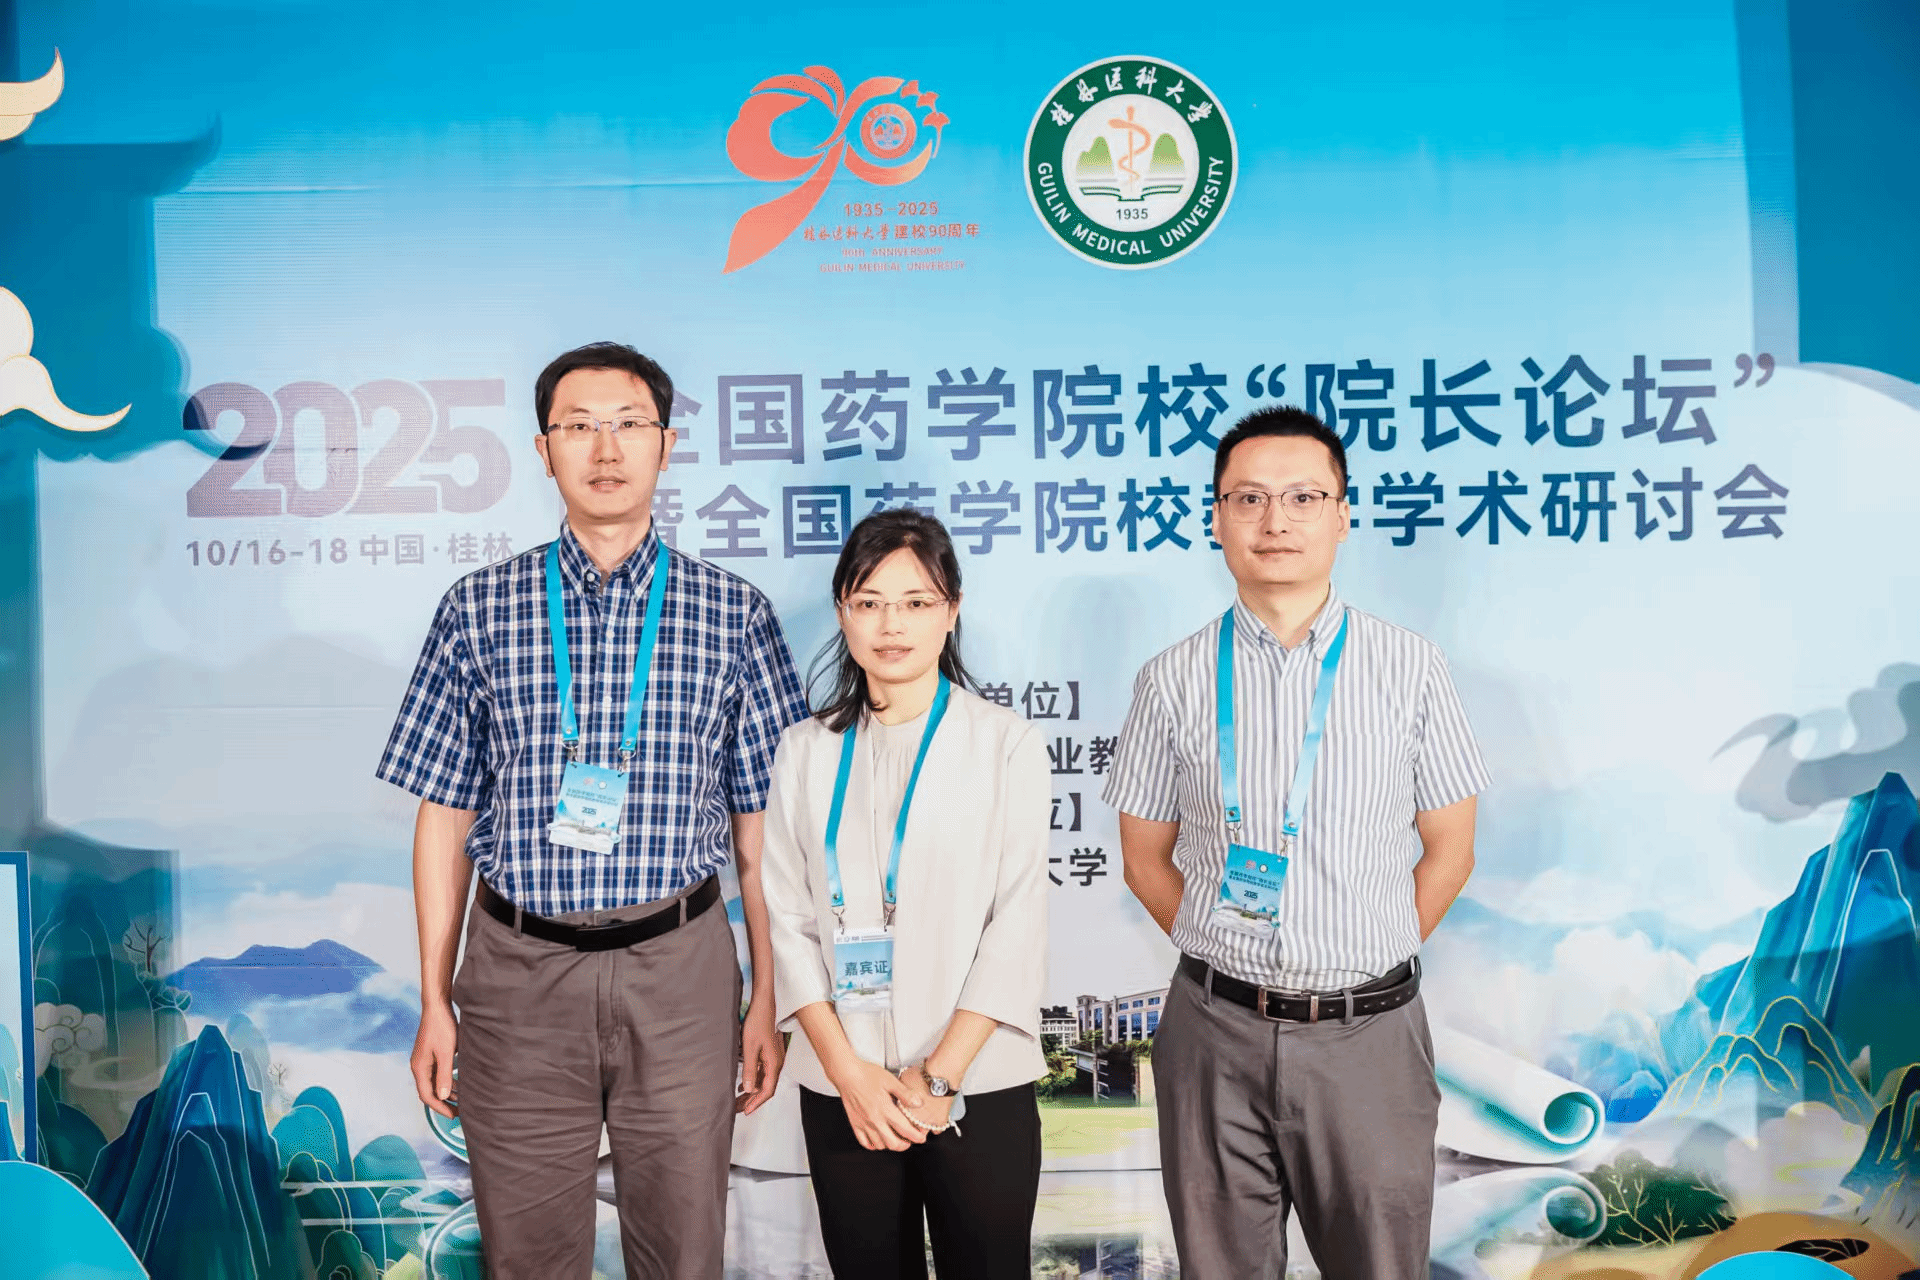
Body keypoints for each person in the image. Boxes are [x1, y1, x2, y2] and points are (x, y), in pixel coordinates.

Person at [377, 342, 808, 1278]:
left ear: (666, 444)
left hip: (680, 970)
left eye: (628, 425)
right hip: (517, 973)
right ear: (543, 450)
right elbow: (443, 817)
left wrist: (768, 998)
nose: (605, 449)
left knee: (684, 1251)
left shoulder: (734, 614)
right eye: (579, 426)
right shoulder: (477, 608)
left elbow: (763, 833)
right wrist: (435, 998)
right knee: (527, 1257)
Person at [1104, 406, 1489, 1279]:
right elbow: (1143, 858)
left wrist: (1363, 956)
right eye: (1248, 499)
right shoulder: (1172, 678)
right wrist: (1230, 951)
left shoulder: (1410, 668)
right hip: (1213, 1034)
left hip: (1369, 1037)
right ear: (1216, 518)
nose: (1274, 520)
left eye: (1303, 497)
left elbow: (1451, 850)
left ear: (1342, 516)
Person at [759, 509, 1050, 1279]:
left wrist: (937, 1077)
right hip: (844, 1088)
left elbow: (1016, 922)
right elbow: (787, 921)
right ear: (843, 612)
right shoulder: (804, 751)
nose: (892, 624)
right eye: (870, 602)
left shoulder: (1005, 744)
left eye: (916, 602)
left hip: (976, 1084)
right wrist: (850, 1074)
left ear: (952, 612)